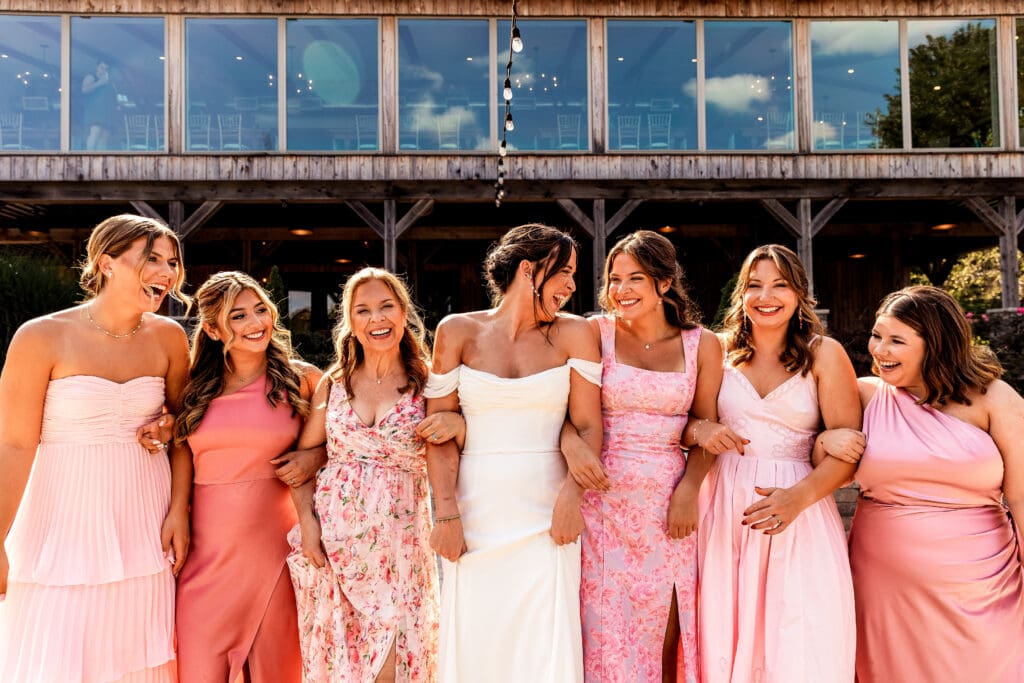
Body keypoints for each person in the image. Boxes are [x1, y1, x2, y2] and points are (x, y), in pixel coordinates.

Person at [0, 214, 191, 682]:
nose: (167, 273)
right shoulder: (40, 336)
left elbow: (186, 430)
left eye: (172, 262)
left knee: (139, 656)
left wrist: (179, 507)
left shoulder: (170, 337)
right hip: (61, 525)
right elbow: (14, 443)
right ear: (106, 263)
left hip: (146, 523)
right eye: (152, 260)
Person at [425, 224, 604, 683]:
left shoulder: (576, 334)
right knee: (478, 640)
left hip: (549, 515)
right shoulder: (456, 331)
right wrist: (446, 515)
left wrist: (571, 500)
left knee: (544, 644)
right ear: (529, 270)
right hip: (476, 514)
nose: (571, 286)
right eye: (563, 273)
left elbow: (587, 426)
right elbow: (438, 433)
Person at [697, 244, 863, 683]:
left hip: (800, 512)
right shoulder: (715, 350)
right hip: (725, 510)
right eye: (754, 285)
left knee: (800, 638)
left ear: (799, 294)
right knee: (725, 632)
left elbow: (847, 455)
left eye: (780, 285)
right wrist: (703, 431)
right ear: (740, 294)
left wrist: (795, 499)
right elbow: (694, 423)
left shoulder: (824, 353)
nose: (765, 296)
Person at [562, 230, 723, 682]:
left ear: (665, 283)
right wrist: (573, 448)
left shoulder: (703, 345)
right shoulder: (594, 332)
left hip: (668, 508)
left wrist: (690, 490)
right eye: (614, 279)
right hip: (602, 509)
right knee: (603, 633)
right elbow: (567, 414)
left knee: (663, 632)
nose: (621, 290)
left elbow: (704, 429)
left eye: (635, 278)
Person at [288, 267, 462, 682]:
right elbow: (306, 457)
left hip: (398, 549)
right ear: (350, 321)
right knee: (340, 664)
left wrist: (459, 425)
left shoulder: (430, 383)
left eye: (386, 306)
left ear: (404, 313)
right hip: (335, 542)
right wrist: (308, 525)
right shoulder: (333, 384)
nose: (376, 319)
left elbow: (460, 442)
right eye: (362, 310)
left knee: (391, 663)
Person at [848, 285, 1024, 682]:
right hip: (884, 588)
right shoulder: (863, 395)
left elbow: (1022, 496)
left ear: (936, 344)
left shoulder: (995, 398)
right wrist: (831, 438)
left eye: (896, 340)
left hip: (983, 588)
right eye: (877, 335)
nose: (879, 350)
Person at [173, 271, 321, 682]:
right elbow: (179, 448)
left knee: (277, 672)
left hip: (275, 552)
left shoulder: (303, 380)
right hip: (206, 557)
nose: (256, 323)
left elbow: (345, 441)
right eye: (238, 316)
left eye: (261, 310)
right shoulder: (193, 387)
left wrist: (313, 457)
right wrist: (174, 513)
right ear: (212, 329)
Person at [81, 61, 118, 151]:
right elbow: (84, 90)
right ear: (97, 67)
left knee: (104, 137)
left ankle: (100, 160)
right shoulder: (91, 77)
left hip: (107, 112)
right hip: (95, 112)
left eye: (106, 69)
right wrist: (99, 83)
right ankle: (89, 157)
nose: (104, 70)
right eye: (102, 67)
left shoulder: (110, 82)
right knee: (95, 133)